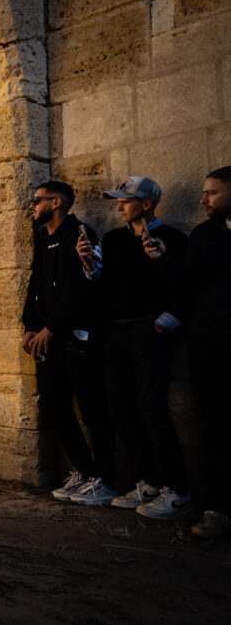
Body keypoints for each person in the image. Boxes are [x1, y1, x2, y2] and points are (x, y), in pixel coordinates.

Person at [75, 176, 190, 513]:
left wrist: (163, 322)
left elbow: (186, 287)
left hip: (148, 331)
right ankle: (148, 483)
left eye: (126, 200)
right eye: (119, 201)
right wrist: (90, 267)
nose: (120, 206)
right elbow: (105, 288)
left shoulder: (173, 239)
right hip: (116, 334)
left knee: (152, 411)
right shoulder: (113, 240)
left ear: (147, 204)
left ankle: (178, 490)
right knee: (121, 411)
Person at [143, 166, 231, 537]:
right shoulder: (203, 234)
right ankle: (218, 509)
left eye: (211, 192)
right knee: (213, 426)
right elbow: (186, 285)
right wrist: (163, 258)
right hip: (209, 344)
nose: (203, 199)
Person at [22, 181, 115, 503]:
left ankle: (105, 479)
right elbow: (35, 284)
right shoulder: (43, 237)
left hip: (77, 340)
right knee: (53, 405)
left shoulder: (81, 234)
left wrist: (50, 327)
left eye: (37, 200)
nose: (32, 206)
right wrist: (29, 326)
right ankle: (85, 471)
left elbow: (80, 289)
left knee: (93, 409)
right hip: (47, 341)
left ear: (57, 202)